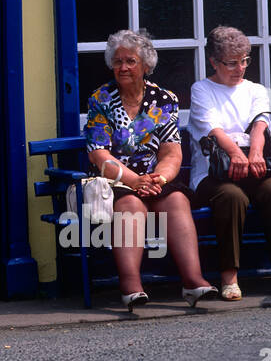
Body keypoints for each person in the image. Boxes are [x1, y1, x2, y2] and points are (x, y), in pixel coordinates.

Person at [84, 29, 216, 311]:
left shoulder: (164, 99)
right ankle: (130, 285)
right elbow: (99, 154)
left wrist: (161, 178)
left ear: (146, 65)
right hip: (116, 178)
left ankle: (193, 282)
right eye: (118, 61)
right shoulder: (101, 98)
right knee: (131, 204)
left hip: (154, 178)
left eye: (130, 61)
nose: (123, 67)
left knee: (178, 200)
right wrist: (134, 181)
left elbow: (172, 151)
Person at [188, 26, 271, 300]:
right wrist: (236, 153)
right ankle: (229, 276)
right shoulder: (201, 89)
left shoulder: (257, 90)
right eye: (231, 63)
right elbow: (214, 129)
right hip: (215, 172)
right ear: (214, 61)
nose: (240, 68)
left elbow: (260, 123)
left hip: (253, 166)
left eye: (244, 60)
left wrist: (255, 153)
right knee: (232, 196)